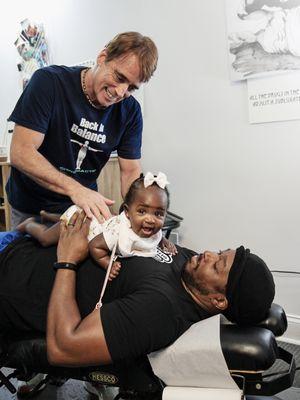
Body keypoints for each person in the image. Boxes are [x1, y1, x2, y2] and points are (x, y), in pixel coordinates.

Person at [0, 211, 275, 370]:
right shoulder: (190, 268)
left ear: (218, 300)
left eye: (217, 266)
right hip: (19, 245)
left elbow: (64, 349)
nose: (207, 254)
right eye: (218, 252)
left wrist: (68, 260)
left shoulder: (160, 311)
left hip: (10, 277)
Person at [6, 31, 158, 228]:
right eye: (120, 77)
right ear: (102, 58)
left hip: (79, 208)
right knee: (28, 257)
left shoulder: (130, 112)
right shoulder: (49, 83)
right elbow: (21, 152)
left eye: (131, 88)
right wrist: (75, 189)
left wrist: (139, 213)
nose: (121, 92)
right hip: (31, 208)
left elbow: (130, 171)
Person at [12, 172, 177, 280]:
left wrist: (164, 242)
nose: (151, 220)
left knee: (63, 220)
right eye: (142, 212)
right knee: (47, 237)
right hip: (84, 222)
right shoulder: (117, 234)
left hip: (95, 218)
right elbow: (94, 245)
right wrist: (106, 262)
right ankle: (29, 225)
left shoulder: (150, 229)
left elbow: (156, 234)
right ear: (127, 212)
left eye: (158, 214)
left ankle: (47, 215)